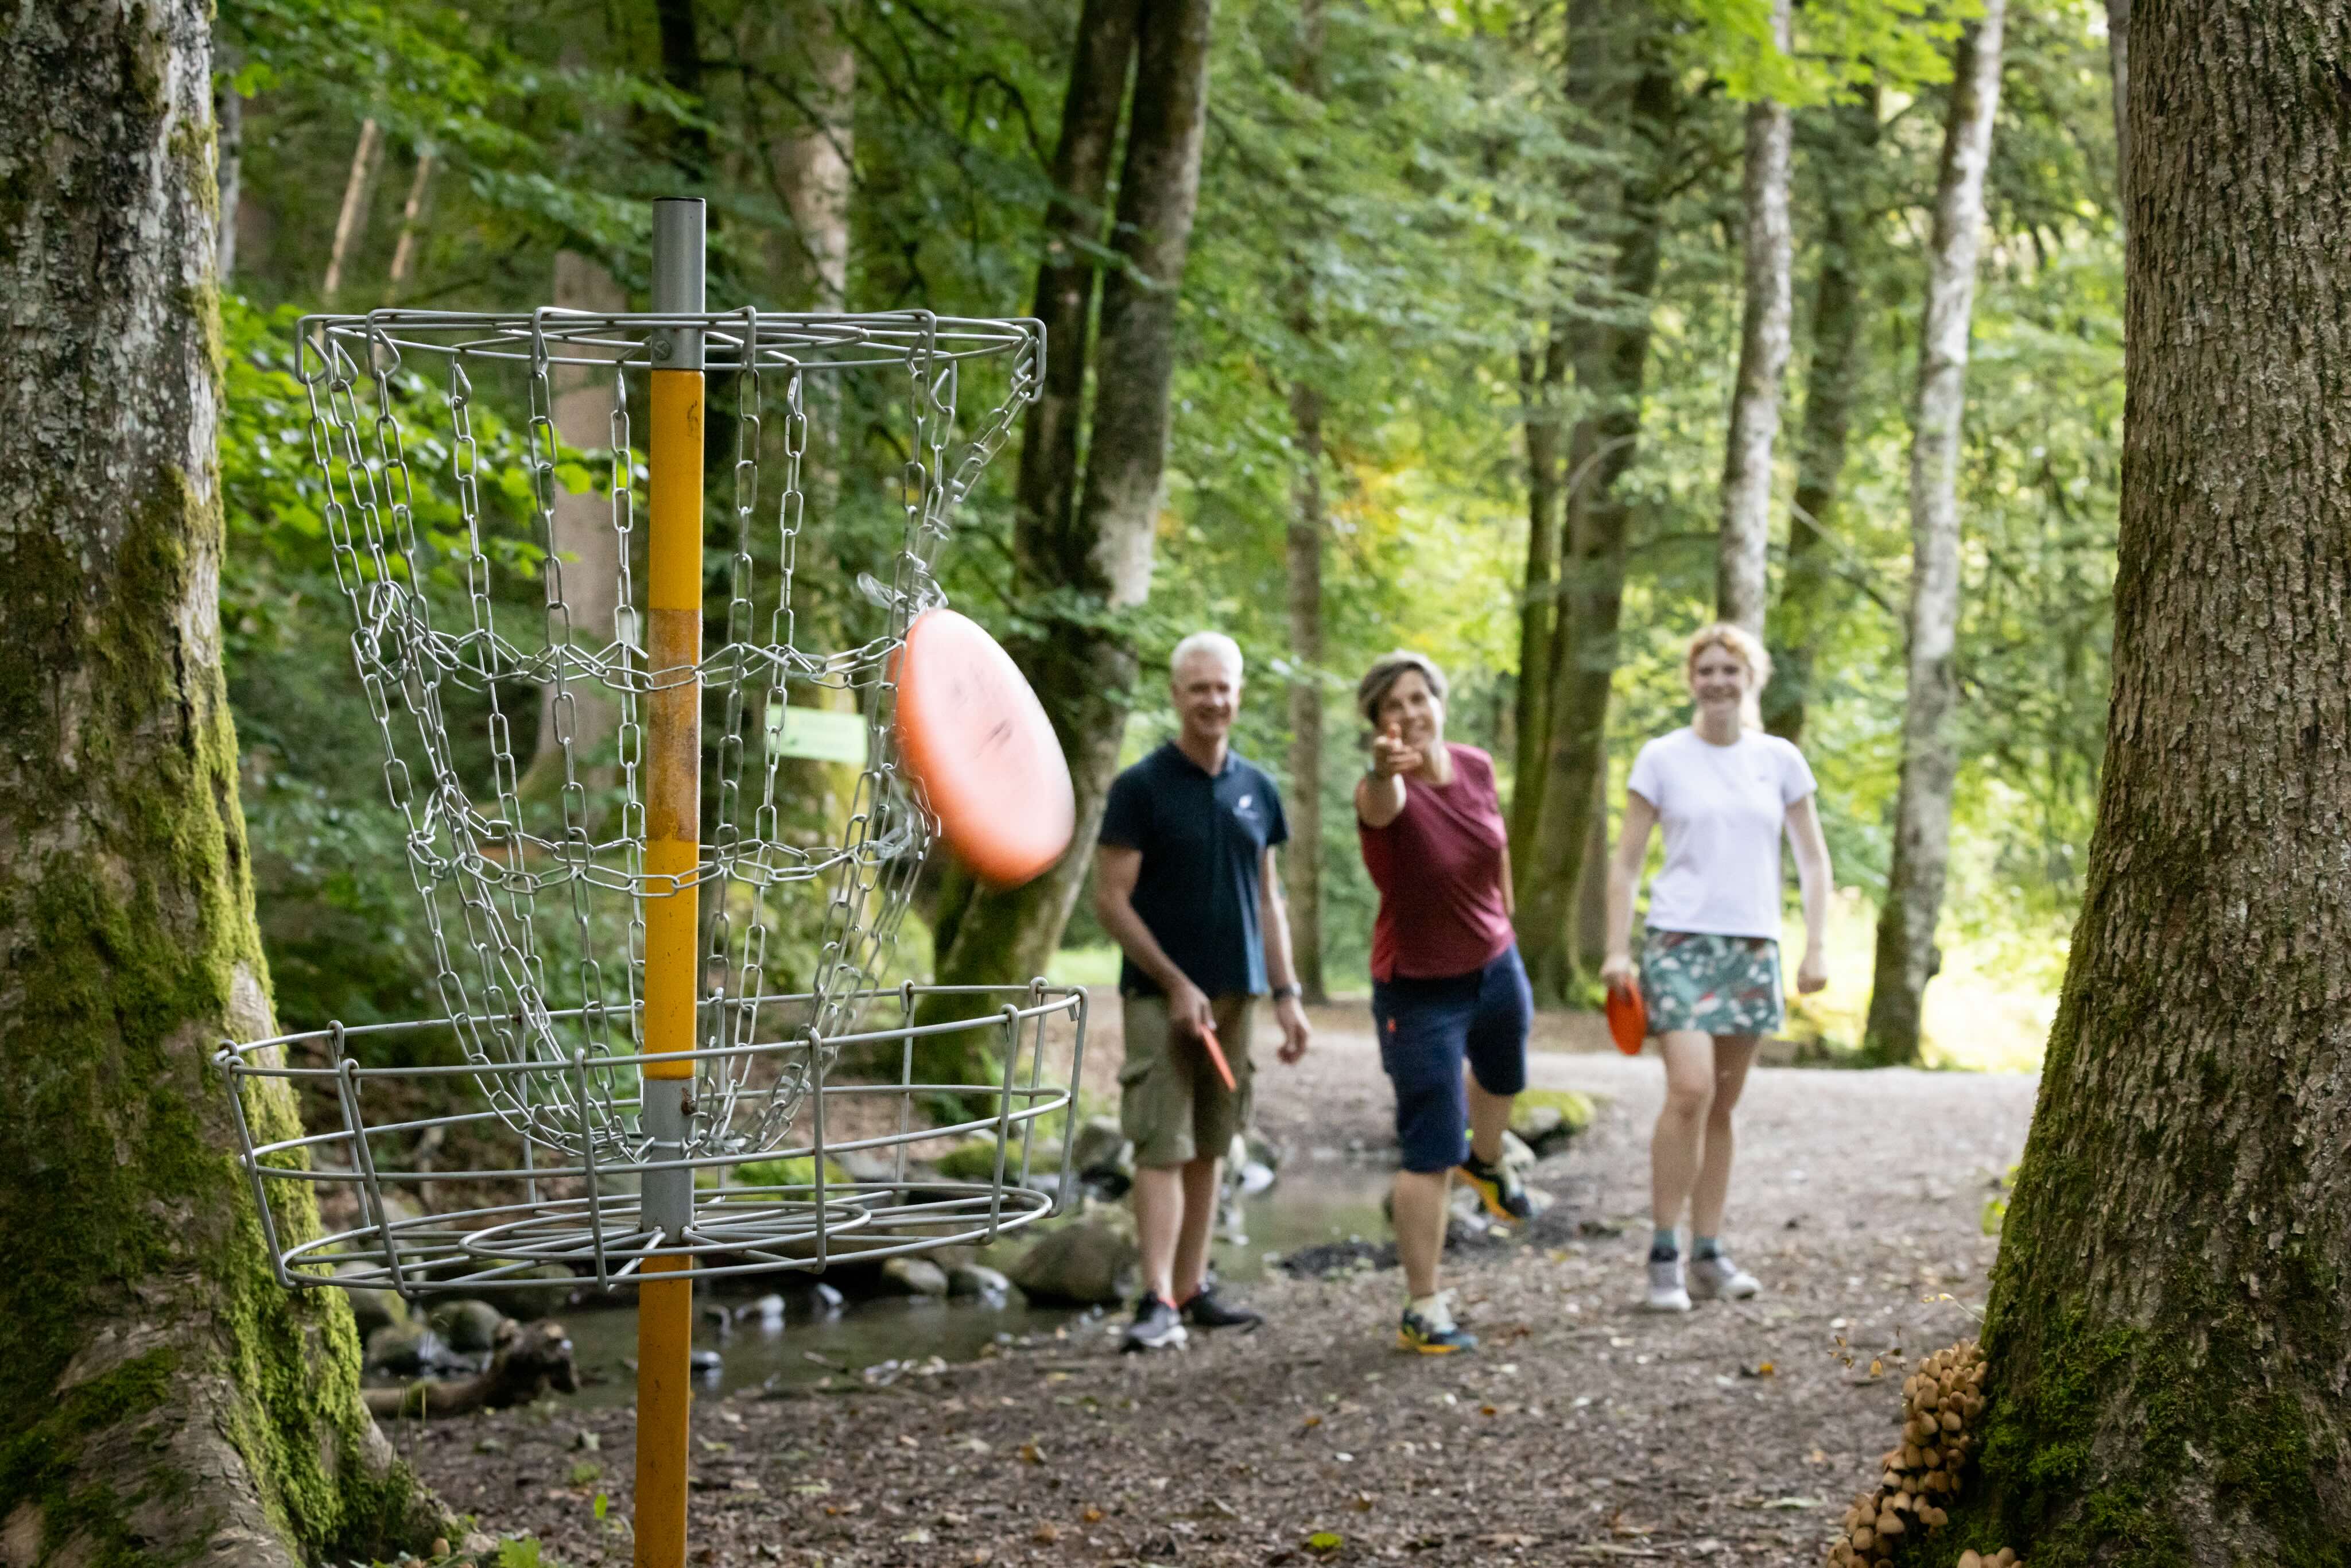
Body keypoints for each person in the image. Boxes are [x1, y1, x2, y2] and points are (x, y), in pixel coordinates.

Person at [1600, 623, 1833, 1313]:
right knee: (1689, 1089)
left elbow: (1812, 859)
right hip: (1677, 942)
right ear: (1691, 679)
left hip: (1752, 946)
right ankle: (1662, 1253)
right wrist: (1616, 949)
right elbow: (1625, 863)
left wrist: (1816, 944)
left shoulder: (1779, 759)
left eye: (1730, 670)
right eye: (1706, 670)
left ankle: (1708, 1252)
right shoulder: (1661, 757)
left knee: (1722, 1105)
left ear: (1750, 678)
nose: (1718, 681)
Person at [1096, 631, 1313, 1352]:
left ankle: (1191, 1287)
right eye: (1198, 688)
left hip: (1236, 995)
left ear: (1238, 693)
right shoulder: (1140, 787)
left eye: (1222, 687)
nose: (1212, 700)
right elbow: (1110, 901)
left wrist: (1286, 993)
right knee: (1162, 1142)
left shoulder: (1258, 789)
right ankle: (1155, 1296)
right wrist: (1174, 982)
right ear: (1175, 694)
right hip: (1159, 997)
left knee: (1213, 1142)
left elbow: (1268, 898)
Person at [1355, 651, 1532, 1355]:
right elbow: (1381, 800)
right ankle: (1423, 1305)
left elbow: (1496, 845)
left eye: (1419, 697)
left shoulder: (1476, 766)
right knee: (1430, 1146)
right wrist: (1381, 769)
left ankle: (1486, 1161)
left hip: (1494, 961)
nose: (1410, 713)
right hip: (1419, 987)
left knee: (1505, 1075)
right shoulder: (1383, 789)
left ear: (1439, 702)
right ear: (1379, 724)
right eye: (1393, 705)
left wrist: (1506, 920)